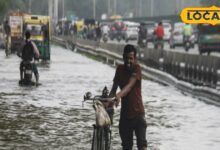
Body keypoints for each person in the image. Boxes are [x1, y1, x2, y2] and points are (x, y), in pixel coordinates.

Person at [109, 44, 147, 150]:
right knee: (126, 147)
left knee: (142, 145)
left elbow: (129, 86)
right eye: (126, 58)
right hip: (125, 116)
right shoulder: (119, 69)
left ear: (135, 58)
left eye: (131, 58)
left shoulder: (137, 68)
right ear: (123, 57)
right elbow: (113, 90)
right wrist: (106, 102)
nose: (128, 61)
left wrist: (118, 95)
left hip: (138, 114)